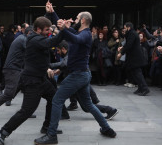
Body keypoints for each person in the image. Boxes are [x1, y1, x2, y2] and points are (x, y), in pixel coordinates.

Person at [35, 12, 116, 145]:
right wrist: (53, 13)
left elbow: (74, 39)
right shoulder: (78, 31)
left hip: (78, 75)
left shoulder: (85, 34)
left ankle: (51, 135)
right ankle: (107, 129)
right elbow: (68, 31)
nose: (74, 20)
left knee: (56, 100)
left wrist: (63, 29)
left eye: (77, 18)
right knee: (88, 104)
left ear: (83, 20)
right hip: (81, 74)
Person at [0, 17, 64, 145]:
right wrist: (64, 30)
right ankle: (2, 132)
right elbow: (51, 42)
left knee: (54, 98)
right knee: (27, 111)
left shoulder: (38, 36)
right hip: (32, 81)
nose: (49, 32)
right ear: (38, 29)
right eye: (47, 30)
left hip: (41, 79)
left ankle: (47, 127)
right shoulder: (35, 39)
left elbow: (44, 56)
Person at [48, 40, 118, 121]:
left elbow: (65, 63)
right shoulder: (72, 53)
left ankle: (64, 115)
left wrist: (49, 65)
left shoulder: (70, 54)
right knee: (86, 106)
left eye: (58, 50)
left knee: (59, 96)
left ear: (63, 49)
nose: (57, 53)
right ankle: (109, 110)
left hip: (77, 80)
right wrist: (60, 70)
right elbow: (68, 65)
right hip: (78, 80)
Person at [0, 27, 33, 120]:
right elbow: (33, 51)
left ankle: (26, 110)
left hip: (16, 68)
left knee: (26, 87)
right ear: (29, 33)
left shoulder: (23, 38)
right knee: (9, 93)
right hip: (12, 69)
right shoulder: (23, 40)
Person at [117, 22, 150, 96]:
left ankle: (145, 88)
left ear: (128, 27)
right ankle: (140, 88)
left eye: (125, 28)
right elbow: (129, 43)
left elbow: (129, 45)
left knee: (138, 73)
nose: (124, 29)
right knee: (135, 73)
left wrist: (121, 53)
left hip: (135, 58)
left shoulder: (132, 33)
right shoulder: (132, 33)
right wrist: (122, 47)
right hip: (133, 57)